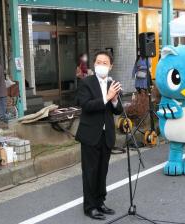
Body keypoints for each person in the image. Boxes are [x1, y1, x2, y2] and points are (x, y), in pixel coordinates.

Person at [75, 50, 123, 220]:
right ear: (94, 65)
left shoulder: (113, 83)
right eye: (98, 62)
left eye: (105, 63)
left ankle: (100, 201)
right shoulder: (86, 83)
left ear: (111, 66)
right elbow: (86, 105)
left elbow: (117, 110)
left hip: (106, 134)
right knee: (90, 171)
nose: (101, 65)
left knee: (103, 170)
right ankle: (90, 206)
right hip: (90, 134)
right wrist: (107, 97)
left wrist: (115, 99)